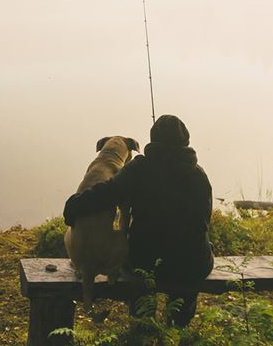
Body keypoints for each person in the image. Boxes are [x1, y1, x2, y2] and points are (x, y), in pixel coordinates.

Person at [62, 114, 214, 329]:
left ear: (153, 140)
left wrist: (73, 205)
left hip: (145, 261)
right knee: (187, 278)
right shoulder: (199, 176)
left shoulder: (139, 169)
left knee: (138, 274)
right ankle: (178, 326)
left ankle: (142, 323)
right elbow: (203, 221)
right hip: (192, 263)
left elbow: (105, 193)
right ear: (185, 142)